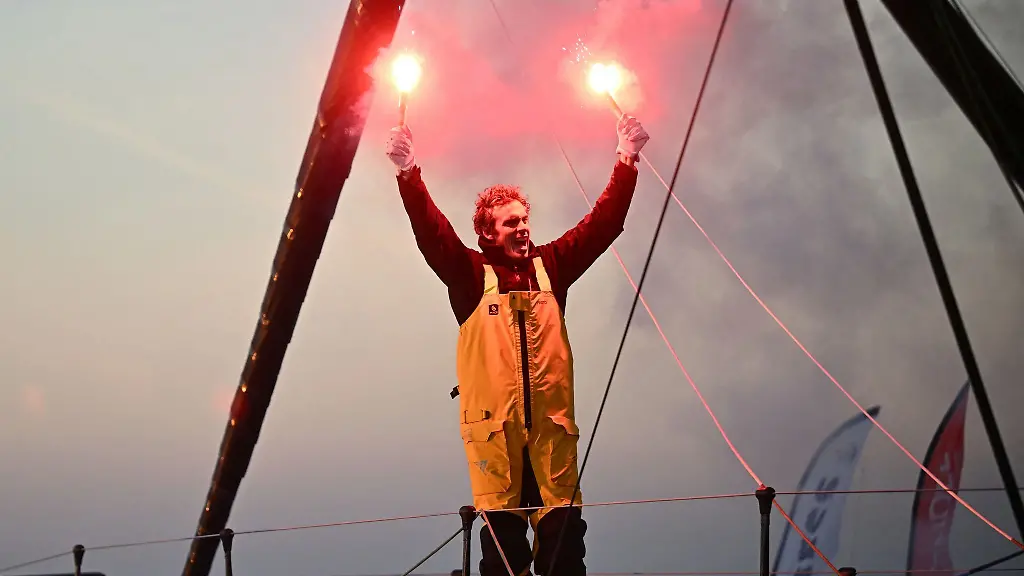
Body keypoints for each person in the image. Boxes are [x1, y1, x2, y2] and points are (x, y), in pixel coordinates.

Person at [386, 114, 649, 576]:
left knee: (565, 555)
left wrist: (626, 161)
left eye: (525, 219)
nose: (523, 228)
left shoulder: (553, 267)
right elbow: (433, 234)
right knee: (502, 560)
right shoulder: (469, 277)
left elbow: (603, 225)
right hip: (496, 440)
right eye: (511, 223)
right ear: (487, 233)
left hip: (551, 434)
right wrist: (409, 175)